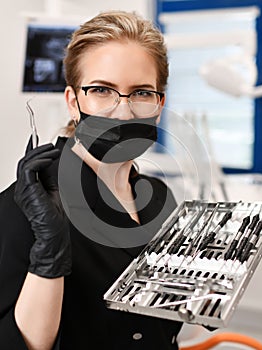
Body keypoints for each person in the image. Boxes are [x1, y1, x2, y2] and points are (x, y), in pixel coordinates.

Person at [0, 10, 183, 350]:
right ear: (73, 102)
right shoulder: (24, 207)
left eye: (142, 93)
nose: (123, 112)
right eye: (102, 90)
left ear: (159, 104)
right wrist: (50, 252)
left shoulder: (160, 197)